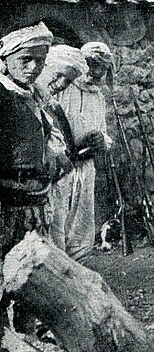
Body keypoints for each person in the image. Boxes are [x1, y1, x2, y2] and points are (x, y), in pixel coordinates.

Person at [0, 22, 67, 338]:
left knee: (34, 273)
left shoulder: (37, 95)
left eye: (40, 60)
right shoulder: (1, 96)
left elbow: (50, 137)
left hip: (37, 199)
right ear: (6, 58)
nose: (33, 67)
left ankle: (31, 333)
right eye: (25, 59)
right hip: (7, 202)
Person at [57, 42, 113, 263]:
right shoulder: (65, 89)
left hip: (86, 167)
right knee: (59, 220)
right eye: (92, 65)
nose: (96, 72)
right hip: (64, 167)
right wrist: (74, 144)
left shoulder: (97, 96)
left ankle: (78, 268)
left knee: (81, 223)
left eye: (102, 68)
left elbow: (104, 132)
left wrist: (102, 141)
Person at [36, 45, 90, 254]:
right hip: (32, 188)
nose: (60, 84)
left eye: (67, 81)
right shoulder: (18, 99)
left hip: (55, 186)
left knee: (56, 239)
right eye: (58, 76)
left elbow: (67, 147)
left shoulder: (54, 106)